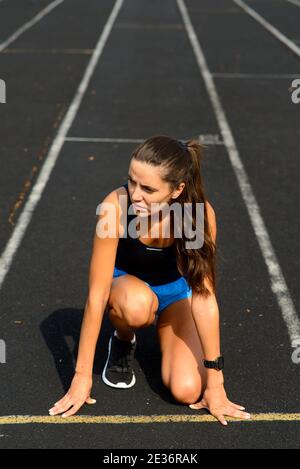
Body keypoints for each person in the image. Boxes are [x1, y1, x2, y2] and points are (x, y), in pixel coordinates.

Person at [48, 135, 251, 426]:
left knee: (187, 391)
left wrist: (216, 385)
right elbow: (97, 294)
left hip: (175, 295)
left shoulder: (196, 216)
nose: (135, 194)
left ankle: (167, 337)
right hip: (128, 290)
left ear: (177, 190)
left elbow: (204, 297)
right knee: (136, 305)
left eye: (148, 189)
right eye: (132, 182)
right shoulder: (116, 208)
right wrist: (81, 376)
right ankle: (123, 339)